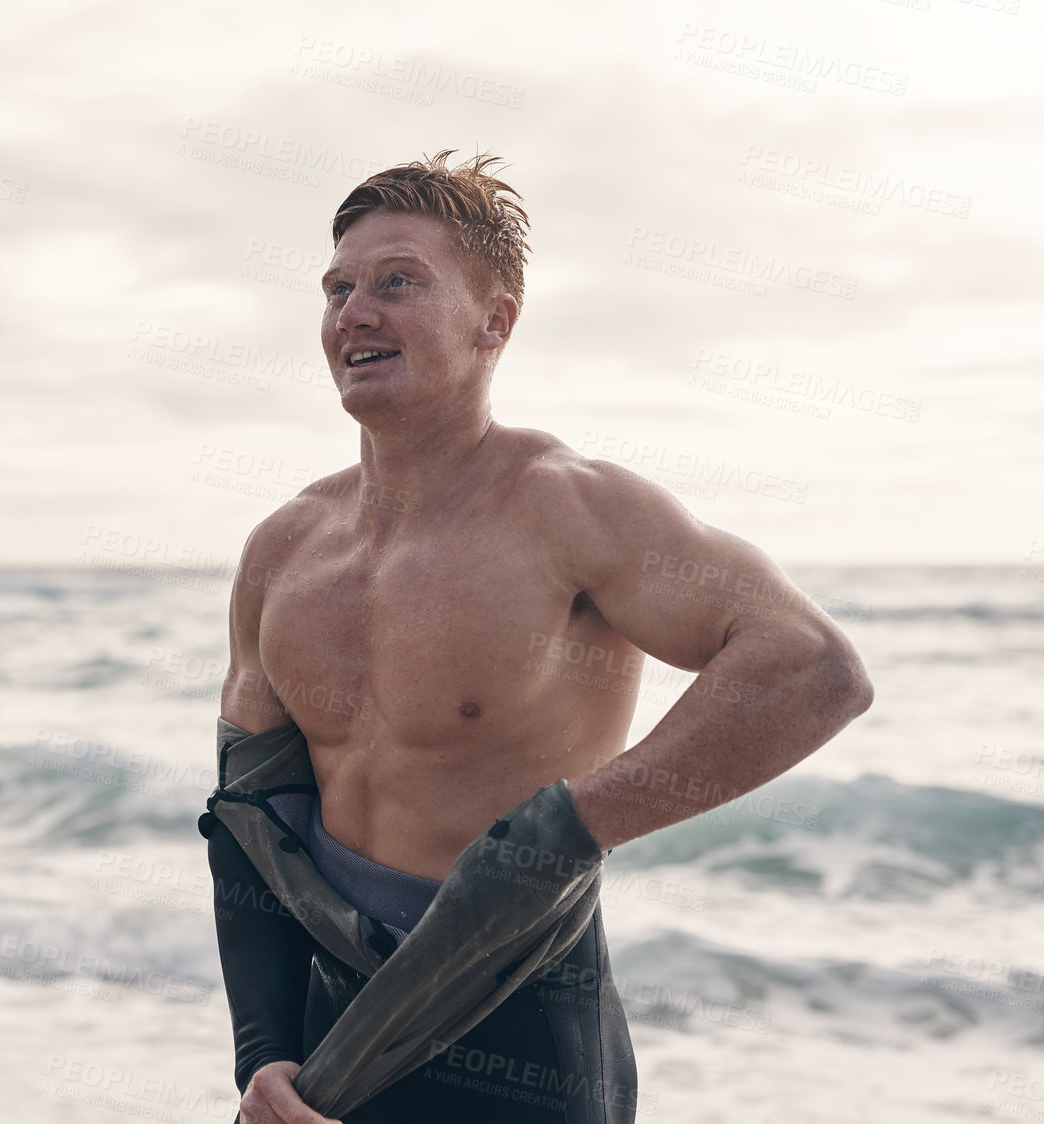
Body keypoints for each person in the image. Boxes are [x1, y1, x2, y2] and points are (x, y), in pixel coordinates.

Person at [208, 150, 875, 1124]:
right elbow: (247, 820)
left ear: (495, 320)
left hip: (527, 1043)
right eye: (339, 288)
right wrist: (261, 1052)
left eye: (398, 282)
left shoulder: (567, 510)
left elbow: (813, 667)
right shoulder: (283, 548)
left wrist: (560, 830)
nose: (355, 312)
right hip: (328, 1052)